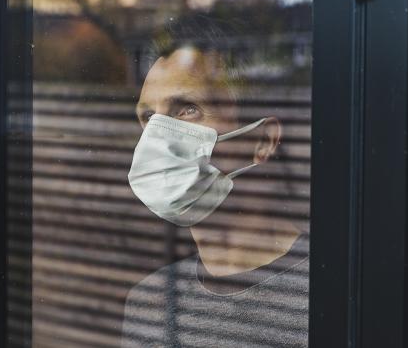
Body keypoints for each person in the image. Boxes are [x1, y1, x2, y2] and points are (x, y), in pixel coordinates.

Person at [121, 22, 309, 347]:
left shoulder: (335, 296)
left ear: (262, 141)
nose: (157, 138)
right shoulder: (147, 306)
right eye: (148, 118)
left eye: (187, 110)